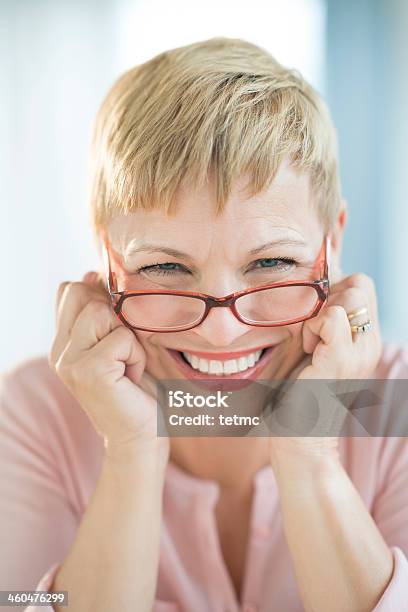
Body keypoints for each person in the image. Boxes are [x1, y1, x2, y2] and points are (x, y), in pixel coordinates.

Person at [1, 37, 408, 612]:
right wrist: (131, 450)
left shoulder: (395, 406)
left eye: (272, 263)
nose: (221, 333)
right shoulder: (34, 414)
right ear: (105, 258)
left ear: (333, 241)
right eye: (165, 267)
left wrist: (309, 448)